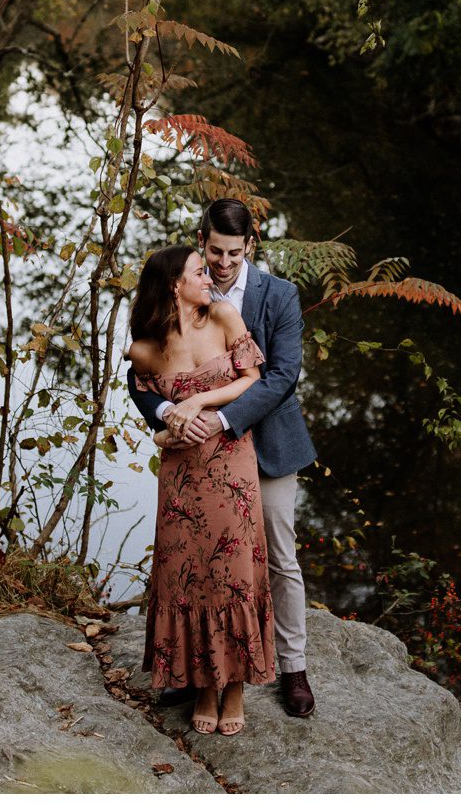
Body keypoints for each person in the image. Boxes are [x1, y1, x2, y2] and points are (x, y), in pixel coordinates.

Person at [129, 198, 319, 718]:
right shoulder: (183, 286)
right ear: (202, 241)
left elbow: (280, 378)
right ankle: (199, 671)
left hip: (268, 447)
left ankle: (292, 667)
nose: (223, 262)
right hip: (197, 456)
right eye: (214, 251)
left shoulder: (278, 296)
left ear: (250, 246)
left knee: (279, 560)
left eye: (235, 252)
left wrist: (222, 418)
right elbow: (142, 374)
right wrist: (169, 411)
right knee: (197, 563)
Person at [128, 244, 275, 736]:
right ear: (174, 284)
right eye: (198, 269)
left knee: (233, 571)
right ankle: (204, 687)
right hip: (181, 473)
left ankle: (234, 689)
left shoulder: (225, 317)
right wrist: (167, 425)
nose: (209, 274)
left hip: (230, 461)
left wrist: (202, 406)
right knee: (186, 575)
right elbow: (147, 403)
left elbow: (252, 379)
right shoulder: (145, 348)